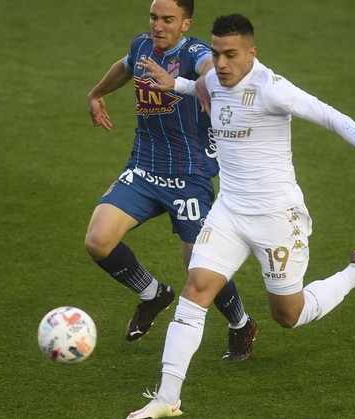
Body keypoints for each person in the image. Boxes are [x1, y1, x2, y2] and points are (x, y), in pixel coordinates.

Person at [127, 13, 355, 419]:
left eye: (231, 55)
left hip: (277, 217)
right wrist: (179, 85)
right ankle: (167, 398)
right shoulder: (213, 79)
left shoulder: (272, 89)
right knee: (197, 287)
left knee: (288, 315)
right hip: (229, 211)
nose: (221, 63)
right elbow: (201, 85)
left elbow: (331, 116)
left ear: (251, 53)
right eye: (216, 53)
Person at [85, 0, 257, 361]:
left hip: (189, 175)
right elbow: (125, 66)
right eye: (154, 17)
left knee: (200, 264)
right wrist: (97, 93)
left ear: (185, 24)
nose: (158, 26)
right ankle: (153, 294)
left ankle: (241, 323)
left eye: (168, 20)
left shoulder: (195, 53)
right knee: (98, 241)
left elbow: (209, 69)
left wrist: (200, 83)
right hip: (144, 167)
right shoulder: (142, 45)